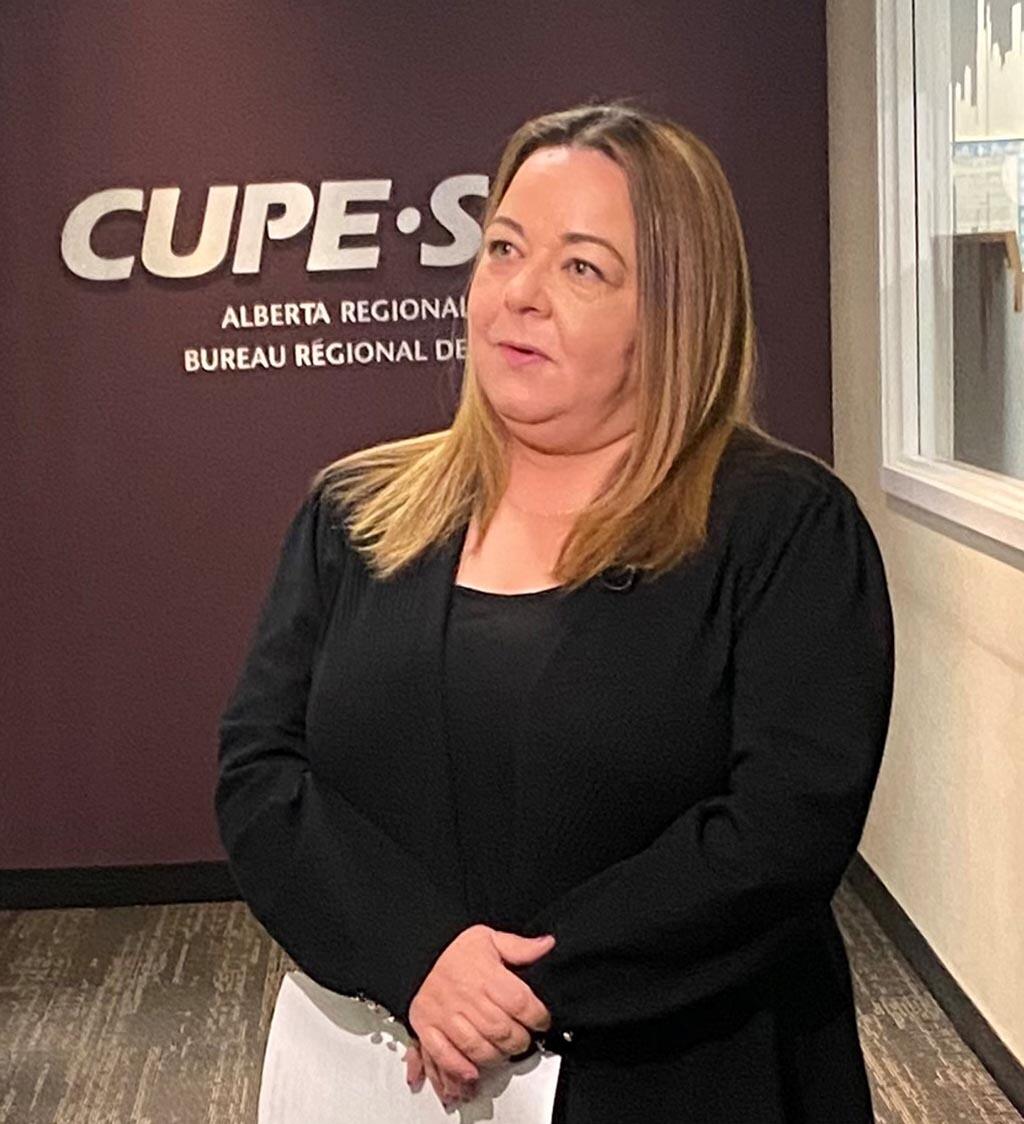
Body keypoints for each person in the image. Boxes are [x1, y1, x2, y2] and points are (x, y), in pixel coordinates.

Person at [215, 100, 896, 1122]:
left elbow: (779, 829)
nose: (518, 295)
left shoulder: (783, 528)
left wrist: (524, 983)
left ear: (675, 310)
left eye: (582, 267)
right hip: (374, 1062)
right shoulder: (353, 512)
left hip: (685, 1077)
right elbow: (263, 775)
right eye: (502, 248)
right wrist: (419, 961)